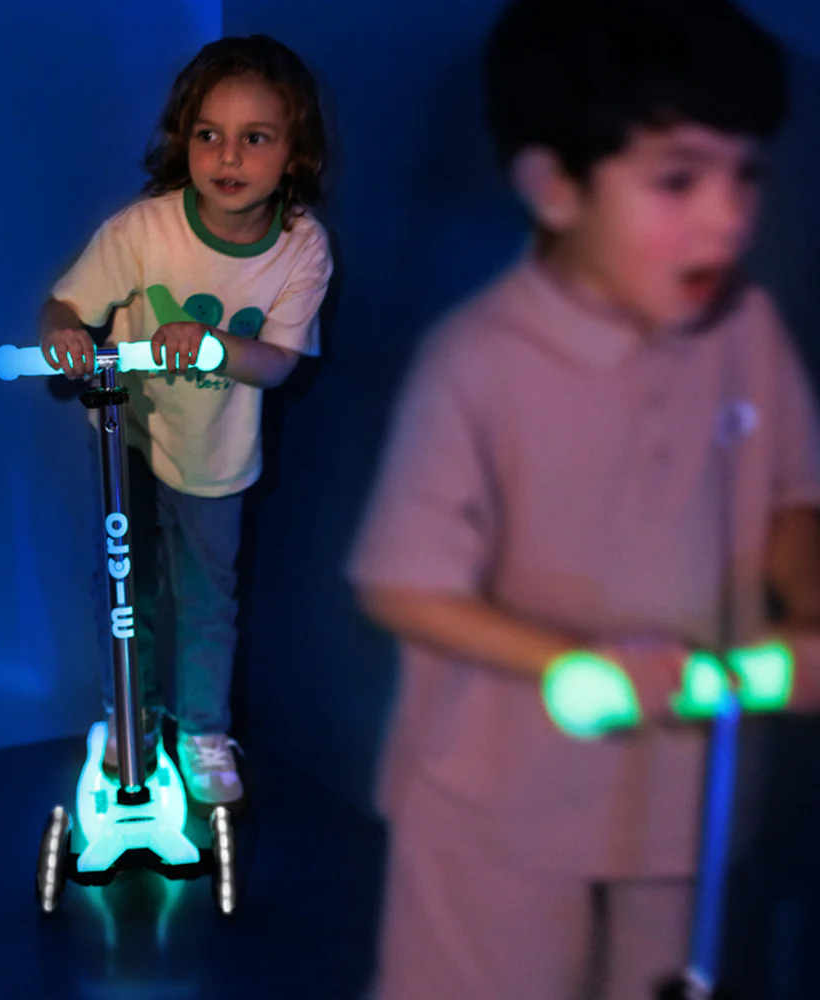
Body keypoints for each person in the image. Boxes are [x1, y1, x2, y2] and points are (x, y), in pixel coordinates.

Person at [348, 1, 820, 996]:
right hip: (495, 806)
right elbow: (401, 579)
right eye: (678, 180)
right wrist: (572, 665)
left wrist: (808, 612)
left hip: (680, 799)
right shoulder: (480, 361)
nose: (728, 216)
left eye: (744, 176)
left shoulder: (746, 332)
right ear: (556, 186)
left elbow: (790, 499)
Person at [40, 35, 332, 812]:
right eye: (209, 134)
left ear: (295, 153)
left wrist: (212, 344)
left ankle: (204, 731)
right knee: (125, 583)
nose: (228, 156)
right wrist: (64, 336)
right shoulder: (143, 230)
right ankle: (128, 718)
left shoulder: (302, 247)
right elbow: (64, 305)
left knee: (207, 598)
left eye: (255, 137)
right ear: (184, 140)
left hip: (215, 452)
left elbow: (279, 362)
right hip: (128, 436)